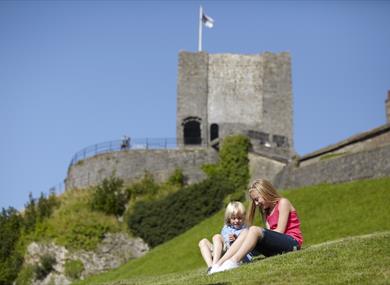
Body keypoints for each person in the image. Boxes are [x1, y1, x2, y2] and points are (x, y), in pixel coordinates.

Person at [209, 179, 303, 274]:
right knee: (245, 232)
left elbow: (280, 231)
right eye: (254, 201)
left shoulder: (283, 203)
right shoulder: (266, 211)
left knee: (253, 230)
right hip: (277, 248)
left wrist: (258, 235)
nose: (256, 204)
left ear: (265, 192)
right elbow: (270, 233)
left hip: (292, 243)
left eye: (257, 199)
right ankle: (218, 264)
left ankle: (233, 261)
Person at [198, 201, 252, 274]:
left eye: (239, 218)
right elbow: (222, 244)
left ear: (243, 217)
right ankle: (211, 267)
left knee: (217, 237)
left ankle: (215, 266)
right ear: (229, 218)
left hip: (236, 254)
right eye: (233, 218)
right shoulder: (226, 228)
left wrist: (236, 240)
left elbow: (247, 247)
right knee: (203, 242)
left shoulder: (245, 229)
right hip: (223, 253)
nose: (236, 221)